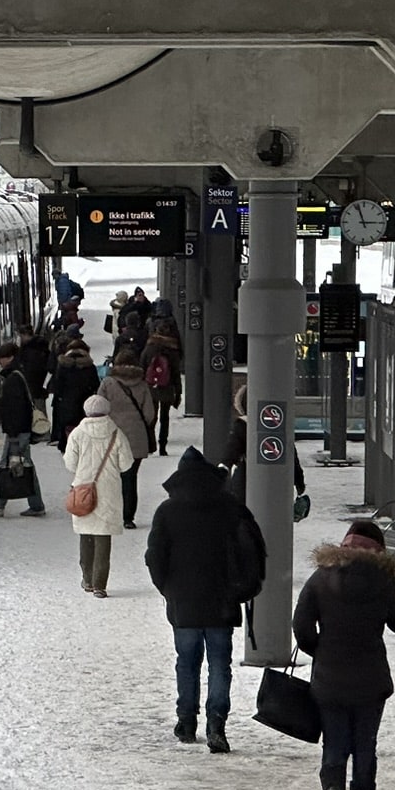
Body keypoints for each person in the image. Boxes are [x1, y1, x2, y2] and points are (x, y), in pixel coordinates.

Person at [293, 519, 395, 790]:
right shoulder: (383, 581)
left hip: (329, 679)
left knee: (334, 743)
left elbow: (301, 626)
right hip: (371, 680)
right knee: (365, 746)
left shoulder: (321, 578)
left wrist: (320, 651)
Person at [147, 446, 267, 753]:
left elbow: (155, 557)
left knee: (186, 663)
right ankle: (216, 724)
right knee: (219, 664)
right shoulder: (230, 507)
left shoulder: (167, 511)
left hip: (183, 600)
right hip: (222, 600)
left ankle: (186, 721)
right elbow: (252, 551)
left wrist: (168, 588)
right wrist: (242, 589)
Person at [63, 393, 130, 596]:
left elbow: (70, 463)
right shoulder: (116, 434)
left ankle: (87, 578)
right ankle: (100, 584)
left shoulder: (77, 434)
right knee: (103, 536)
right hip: (109, 489)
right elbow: (126, 464)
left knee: (86, 534)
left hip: (83, 489)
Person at [223, 381, 306, 508]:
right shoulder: (279, 429)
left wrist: (224, 467)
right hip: (277, 482)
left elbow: (232, 451)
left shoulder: (242, 426)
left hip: (246, 482)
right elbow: (291, 455)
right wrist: (299, 482)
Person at [0, 340, 45, 516]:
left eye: (2, 358)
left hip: (17, 431)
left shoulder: (12, 379)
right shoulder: (19, 373)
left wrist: (12, 433)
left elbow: (15, 409)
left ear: (10, 358)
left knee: (7, 465)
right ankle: (36, 505)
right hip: (21, 429)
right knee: (24, 465)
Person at [96, 352, 155, 528]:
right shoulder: (142, 384)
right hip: (136, 437)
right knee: (130, 477)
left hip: (111, 435)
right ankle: (128, 517)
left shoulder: (108, 383)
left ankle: (112, 513)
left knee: (112, 477)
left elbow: (98, 407)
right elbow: (149, 414)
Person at [48, 339, 101, 451]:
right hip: (84, 404)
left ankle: (67, 446)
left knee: (66, 428)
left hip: (65, 404)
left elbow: (57, 384)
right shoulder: (89, 366)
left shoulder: (63, 365)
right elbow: (96, 385)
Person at [144, 315, 184, 456]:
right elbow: (176, 373)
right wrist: (178, 391)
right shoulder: (172, 349)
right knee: (165, 417)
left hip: (151, 386)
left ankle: (150, 444)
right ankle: (162, 446)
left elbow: (142, 364)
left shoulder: (150, 347)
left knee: (151, 416)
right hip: (167, 386)